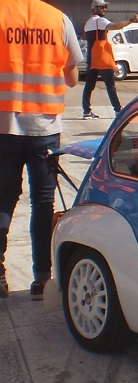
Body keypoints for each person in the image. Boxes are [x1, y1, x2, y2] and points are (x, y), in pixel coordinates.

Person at [0, 0, 83, 299]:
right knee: (43, 202)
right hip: (44, 127)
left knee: (3, 199)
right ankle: (41, 279)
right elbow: (72, 78)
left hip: (3, 125)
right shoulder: (59, 20)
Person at [82, 0, 138, 119]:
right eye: (102, 7)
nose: (104, 9)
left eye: (105, 7)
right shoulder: (100, 21)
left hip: (92, 57)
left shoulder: (88, 23)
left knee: (89, 85)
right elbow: (115, 26)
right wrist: (131, 20)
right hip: (102, 57)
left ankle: (86, 110)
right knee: (110, 85)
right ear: (95, 8)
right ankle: (118, 109)